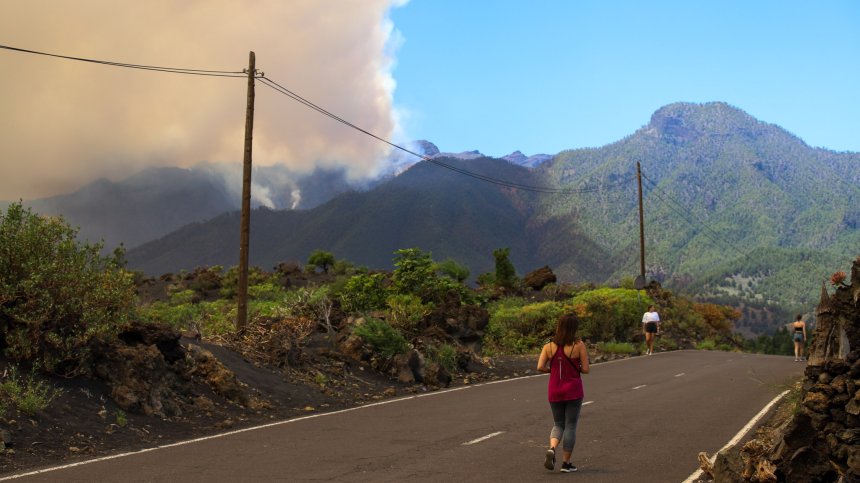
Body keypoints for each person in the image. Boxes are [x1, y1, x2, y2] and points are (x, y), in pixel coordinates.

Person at [537, 313, 590, 473]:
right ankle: (566, 464)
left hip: (554, 390)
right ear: (574, 328)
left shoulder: (548, 346)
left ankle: (552, 448)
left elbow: (540, 366)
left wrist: (551, 370)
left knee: (558, 424)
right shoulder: (578, 345)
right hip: (573, 390)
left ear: (559, 326)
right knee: (571, 426)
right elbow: (586, 369)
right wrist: (575, 368)